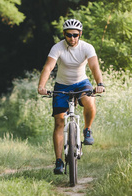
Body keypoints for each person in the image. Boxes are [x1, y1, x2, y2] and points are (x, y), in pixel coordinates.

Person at [37, 19, 105, 175]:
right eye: (69, 35)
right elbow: (48, 67)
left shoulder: (87, 47)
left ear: (80, 34)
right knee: (59, 121)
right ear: (64, 34)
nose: (72, 38)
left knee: (89, 100)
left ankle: (87, 129)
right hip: (62, 85)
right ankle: (59, 161)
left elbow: (94, 66)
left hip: (82, 82)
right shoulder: (57, 48)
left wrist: (100, 83)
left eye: (75, 35)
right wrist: (41, 86)